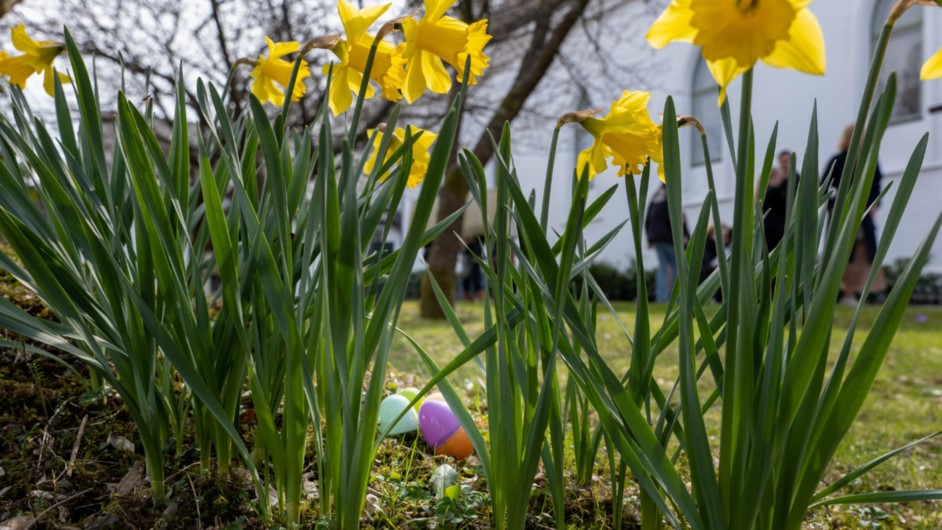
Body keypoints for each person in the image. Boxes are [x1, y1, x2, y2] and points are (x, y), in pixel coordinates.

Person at [822, 124, 886, 304]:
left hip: (863, 213)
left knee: (862, 251)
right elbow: (824, 186)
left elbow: (876, 186)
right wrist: (834, 206)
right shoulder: (837, 159)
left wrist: (874, 206)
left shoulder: (870, 159)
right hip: (841, 214)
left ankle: (855, 291)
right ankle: (842, 291)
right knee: (840, 250)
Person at [645, 183, 689, 303]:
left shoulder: (654, 199)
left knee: (663, 268)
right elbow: (675, 219)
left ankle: (662, 297)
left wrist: (649, 238)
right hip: (669, 238)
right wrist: (682, 236)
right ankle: (677, 297)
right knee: (676, 267)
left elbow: (648, 220)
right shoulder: (670, 199)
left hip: (656, 238)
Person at [762, 150, 798, 250]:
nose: (785, 164)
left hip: (788, 221)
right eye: (783, 161)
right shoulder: (775, 179)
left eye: (787, 161)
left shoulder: (796, 178)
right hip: (772, 226)